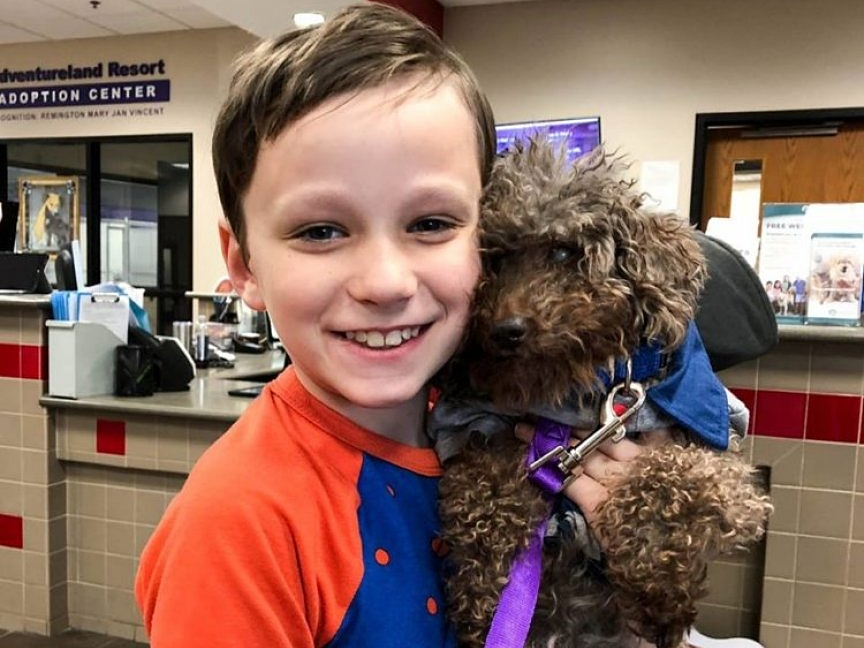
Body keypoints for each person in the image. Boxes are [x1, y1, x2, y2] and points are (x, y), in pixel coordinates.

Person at [134, 4, 651, 647]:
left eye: (431, 223)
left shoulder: (510, 428)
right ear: (244, 266)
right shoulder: (239, 528)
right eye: (320, 231)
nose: (385, 282)